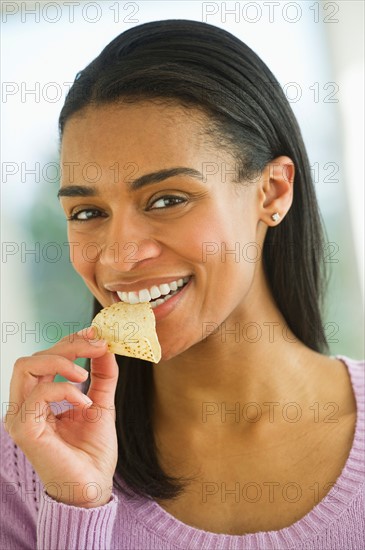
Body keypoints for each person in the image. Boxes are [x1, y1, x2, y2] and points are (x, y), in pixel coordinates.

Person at [1, 19, 364, 550]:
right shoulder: (28, 459)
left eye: (168, 199)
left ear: (272, 192)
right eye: (87, 211)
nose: (120, 255)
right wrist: (75, 510)